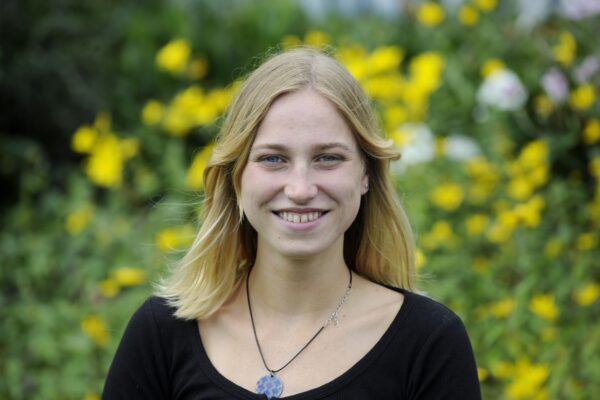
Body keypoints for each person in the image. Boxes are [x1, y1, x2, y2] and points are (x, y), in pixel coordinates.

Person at [102, 47, 481, 399]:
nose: (300, 189)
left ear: (366, 174)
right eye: (272, 159)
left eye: (328, 158)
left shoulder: (430, 344)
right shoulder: (162, 332)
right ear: (236, 177)